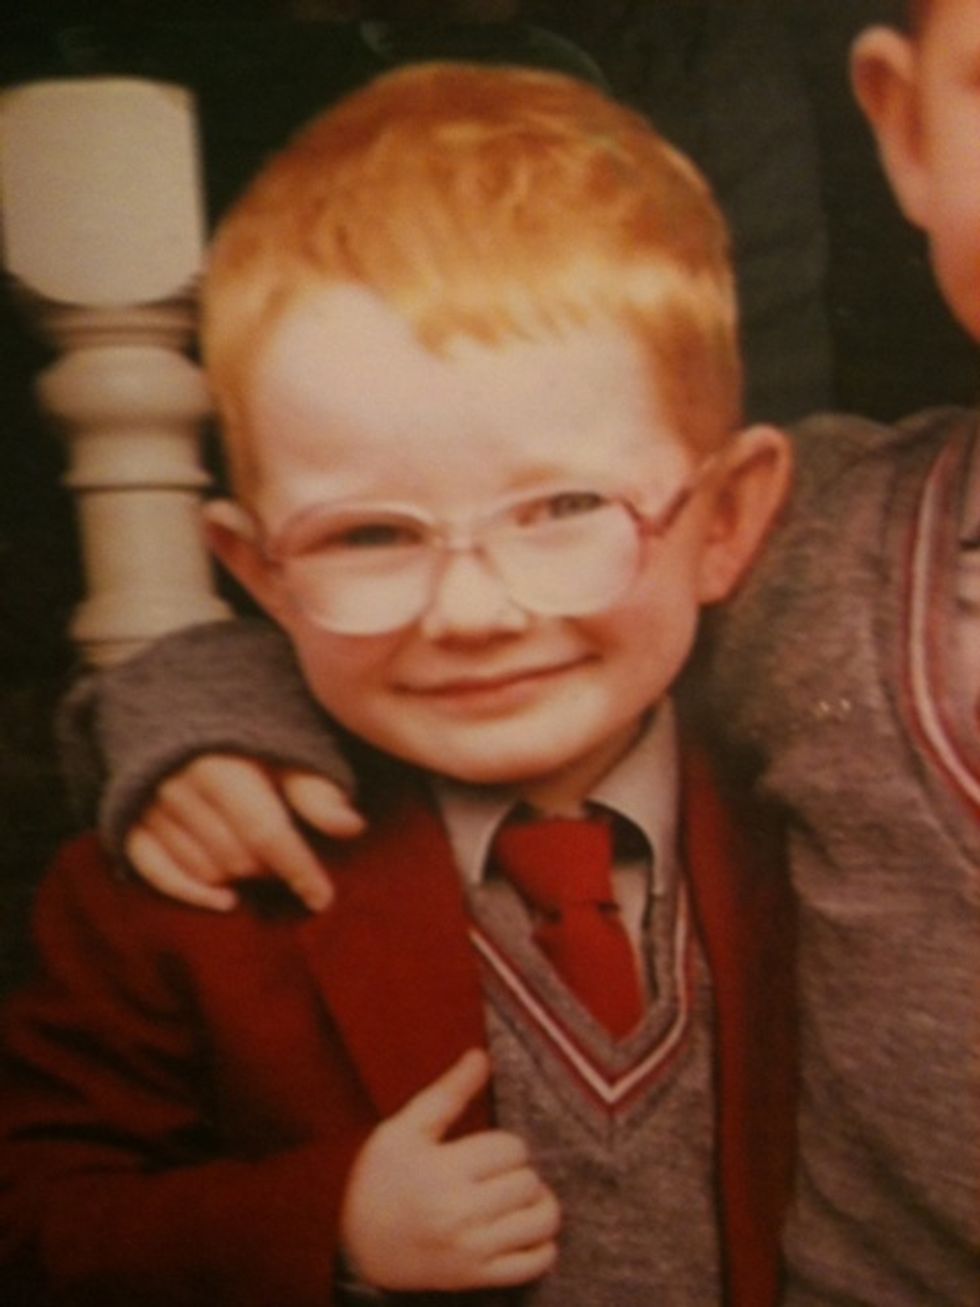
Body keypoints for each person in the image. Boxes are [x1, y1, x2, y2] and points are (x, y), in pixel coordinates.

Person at [78, 1, 980, 1301]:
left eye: (559, 508)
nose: (472, 603)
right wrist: (196, 710)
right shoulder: (821, 558)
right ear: (903, 126)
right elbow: (523, 593)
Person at [0, 63, 796, 1306]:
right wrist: (322, 1225)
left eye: (563, 508)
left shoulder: (818, 812)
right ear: (254, 570)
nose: (470, 613)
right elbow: (34, 1218)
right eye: (368, 535)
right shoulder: (183, 881)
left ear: (726, 519)